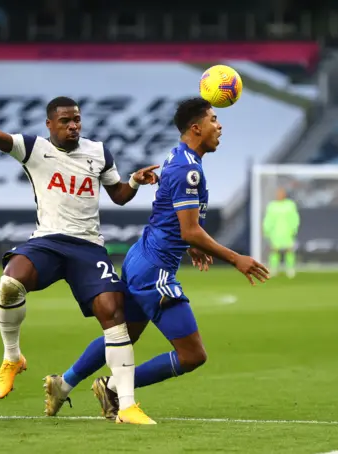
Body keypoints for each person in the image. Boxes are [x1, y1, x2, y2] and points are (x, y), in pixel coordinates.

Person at [0, 77, 159, 424]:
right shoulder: (34, 147)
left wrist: (135, 182)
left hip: (88, 248)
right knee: (10, 283)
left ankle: (126, 405)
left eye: (77, 119)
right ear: (50, 124)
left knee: (115, 317)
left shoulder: (99, 153)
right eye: (65, 121)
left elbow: (119, 197)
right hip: (48, 241)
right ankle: (12, 357)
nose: (73, 125)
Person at [43, 97, 270, 421]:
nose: (219, 126)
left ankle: (62, 384)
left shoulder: (177, 159)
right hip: (155, 271)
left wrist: (187, 240)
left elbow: (173, 216)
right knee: (192, 355)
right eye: (214, 120)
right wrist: (236, 259)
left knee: (122, 334)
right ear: (196, 128)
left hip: (142, 258)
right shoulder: (187, 169)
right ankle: (114, 390)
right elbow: (190, 230)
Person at [263, 187, 300, 278]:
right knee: (274, 251)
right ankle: (273, 269)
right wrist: (266, 230)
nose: (280, 195)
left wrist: (294, 229)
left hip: (287, 232)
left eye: (281, 193)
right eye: (278, 193)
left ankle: (290, 270)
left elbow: (294, 218)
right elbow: (268, 219)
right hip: (275, 233)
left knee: (289, 251)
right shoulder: (272, 205)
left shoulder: (290, 205)